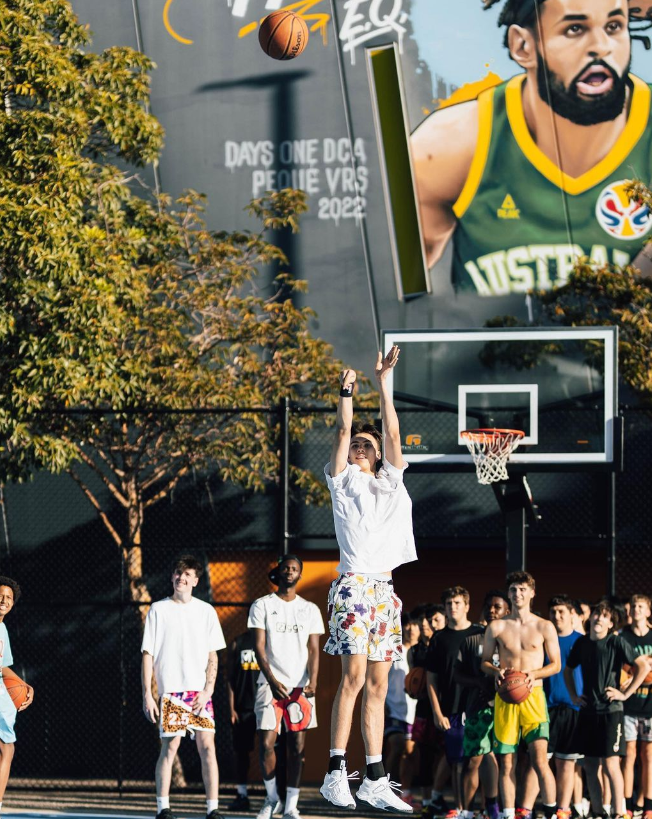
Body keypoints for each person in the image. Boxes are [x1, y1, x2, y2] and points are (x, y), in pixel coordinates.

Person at [410, 0, 652, 297]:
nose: (602, 47)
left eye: (614, 27)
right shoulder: (452, 144)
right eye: (575, 29)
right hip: (493, 343)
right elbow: (389, 302)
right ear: (522, 46)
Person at [320, 346, 417, 813]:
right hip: (354, 586)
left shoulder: (391, 483)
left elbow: (393, 428)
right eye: (357, 445)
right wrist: (347, 393)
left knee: (379, 686)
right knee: (354, 678)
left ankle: (375, 777)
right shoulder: (343, 483)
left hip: (384, 591)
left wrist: (384, 382)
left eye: (367, 445)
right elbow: (342, 428)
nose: (360, 447)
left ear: (378, 455)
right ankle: (336, 769)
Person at [141, 555, 226, 819]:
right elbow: (147, 654)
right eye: (178, 572)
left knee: (208, 749)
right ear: (172, 577)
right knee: (170, 749)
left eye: (188, 574)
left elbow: (213, 655)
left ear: (196, 581)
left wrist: (208, 689)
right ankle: (163, 809)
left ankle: (213, 810)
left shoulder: (206, 611)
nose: (182, 577)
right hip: (172, 694)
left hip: (199, 694)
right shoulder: (158, 609)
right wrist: (148, 694)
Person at [248, 554, 324, 819]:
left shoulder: (310, 609)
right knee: (266, 744)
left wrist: (313, 680)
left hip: (300, 686)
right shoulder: (262, 605)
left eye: (294, 569)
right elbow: (258, 647)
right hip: (270, 684)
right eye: (286, 568)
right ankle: (272, 799)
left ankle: (291, 804)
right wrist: (271, 679)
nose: (289, 572)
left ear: (299, 574)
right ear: (278, 572)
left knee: (297, 748)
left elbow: (314, 650)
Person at [481, 571, 561, 819]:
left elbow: (556, 664)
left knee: (539, 760)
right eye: (514, 589)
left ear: (533, 593)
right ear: (509, 593)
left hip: (534, 697)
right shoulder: (496, 626)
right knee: (507, 763)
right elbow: (484, 662)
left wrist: (534, 674)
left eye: (523, 589)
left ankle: (551, 812)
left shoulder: (544, 626)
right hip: (505, 699)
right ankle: (508, 814)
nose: (518, 594)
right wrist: (495, 671)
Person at [564, 599, 650, 819]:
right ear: (590, 618)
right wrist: (574, 695)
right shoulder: (582, 643)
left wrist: (626, 693)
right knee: (591, 766)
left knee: (611, 763)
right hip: (588, 711)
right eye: (596, 614)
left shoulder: (616, 642)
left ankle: (621, 812)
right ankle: (598, 811)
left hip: (611, 711)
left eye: (605, 616)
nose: (599, 618)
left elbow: (642, 665)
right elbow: (568, 670)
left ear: (611, 623)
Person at [426, 587, 484, 819]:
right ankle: (461, 810)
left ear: (467, 606)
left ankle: (477, 808)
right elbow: (431, 679)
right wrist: (437, 712)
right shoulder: (439, 638)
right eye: (449, 603)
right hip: (451, 707)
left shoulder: (481, 632)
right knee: (457, 763)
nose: (453, 607)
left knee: (478, 762)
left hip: (479, 707)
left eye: (458, 603)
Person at [456, 590, 511, 819]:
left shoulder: (513, 639)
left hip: (507, 706)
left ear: (507, 611)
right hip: (478, 706)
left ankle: (493, 806)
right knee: (474, 759)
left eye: (497, 607)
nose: (492, 610)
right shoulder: (470, 640)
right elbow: (457, 674)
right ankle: (466, 810)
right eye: (488, 606)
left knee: (501, 759)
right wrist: (479, 681)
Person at [545, 595, 585, 819]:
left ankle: (563, 809)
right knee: (539, 761)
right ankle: (533, 808)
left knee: (566, 763)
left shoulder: (582, 641)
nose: (557, 616)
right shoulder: (544, 640)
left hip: (574, 709)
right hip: (546, 708)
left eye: (561, 611)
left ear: (572, 615)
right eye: (553, 612)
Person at [0, 576, 33, 812]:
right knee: (6, 748)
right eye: (1, 595)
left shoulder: (2, 628)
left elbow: (3, 666)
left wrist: (25, 685)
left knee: (5, 748)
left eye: (9, 598)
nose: (4, 600)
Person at [619, 595, 652, 819]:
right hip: (629, 704)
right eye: (634, 606)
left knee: (648, 756)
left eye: (641, 606)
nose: (636, 610)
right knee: (628, 755)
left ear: (648, 611)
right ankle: (628, 805)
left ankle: (647, 806)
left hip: (650, 705)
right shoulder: (623, 636)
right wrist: (636, 673)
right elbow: (621, 671)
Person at [384, 612, 421, 807]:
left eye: (414, 625)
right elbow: (379, 680)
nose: (410, 628)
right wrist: (381, 705)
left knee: (410, 752)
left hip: (415, 711)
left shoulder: (423, 653)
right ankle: (386, 789)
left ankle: (405, 793)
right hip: (393, 709)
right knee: (398, 747)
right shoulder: (393, 650)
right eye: (407, 625)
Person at [226, 629, 260, 811]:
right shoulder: (238, 642)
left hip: (266, 706)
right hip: (243, 708)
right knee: (241, 754)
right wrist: (232, 709)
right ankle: (242, 794)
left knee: (270, 751)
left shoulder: (271, 640)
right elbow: (230, 678)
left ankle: (277, 796)